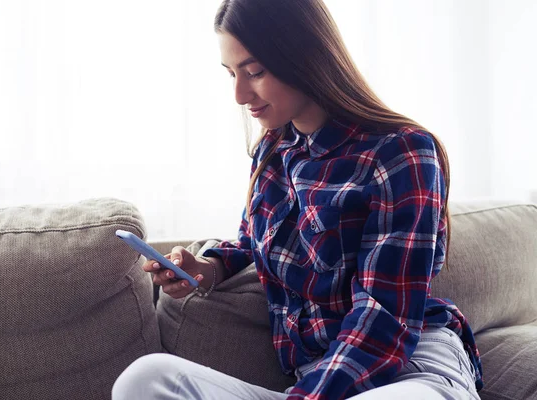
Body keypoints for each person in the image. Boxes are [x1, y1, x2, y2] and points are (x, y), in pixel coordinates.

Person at [112, 0, 483, 399]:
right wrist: (207, 269)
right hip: (313, 381)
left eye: (255, 72)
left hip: (408, 370)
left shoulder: (401, 153)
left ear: (304, 57)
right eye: (231, 74)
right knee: (145, 379)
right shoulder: (273, 153)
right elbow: (253, 244)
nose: (239, 94)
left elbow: (385, 317)